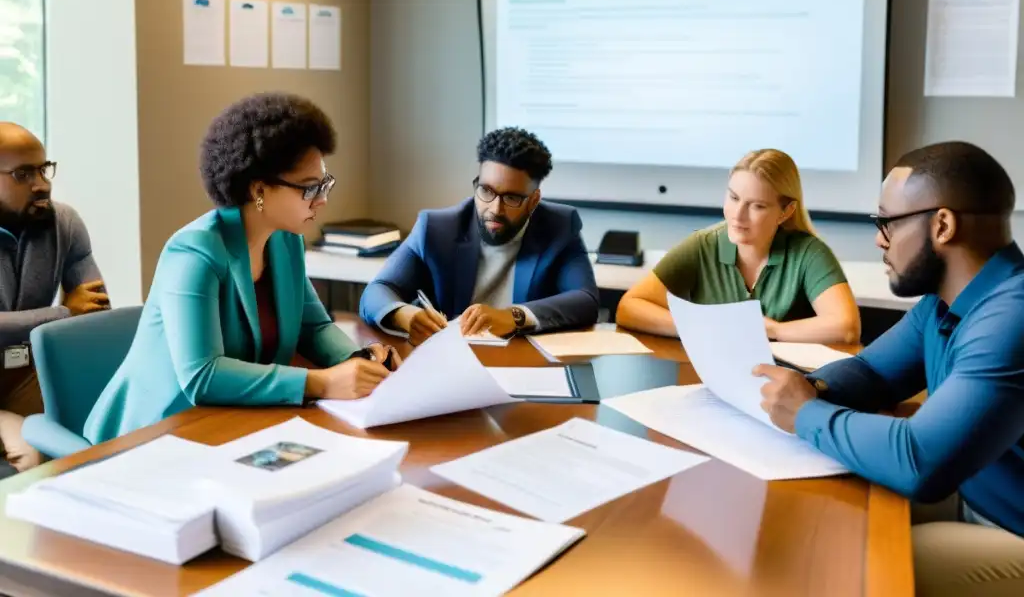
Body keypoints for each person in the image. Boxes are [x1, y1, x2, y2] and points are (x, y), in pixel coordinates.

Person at [756, 141, 1024, 596]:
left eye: (887, 222)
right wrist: (810, 387)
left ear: (942, 225)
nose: (879, 239)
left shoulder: (1012, 317)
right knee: (828, 521)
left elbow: (919, 460)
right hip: (976, 500)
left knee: (867, 565)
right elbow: (872, 375)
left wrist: (805, 413)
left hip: (1010, 530)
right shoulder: (942, 303)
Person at [84, 94, 399, 444]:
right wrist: (322, 382)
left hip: (232, 420)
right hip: (160, 431)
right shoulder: (193, 252)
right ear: (259, 189)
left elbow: (313, 327)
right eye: (310, 188)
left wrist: (359, 358)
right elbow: (202, 375)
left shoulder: (285, 241)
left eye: (324, 183)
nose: (322, 199)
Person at [359, 127, 599, 345]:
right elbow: (377, 291)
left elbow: (585, 299)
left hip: (523, 364)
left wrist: (513, 316)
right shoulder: (436, 229)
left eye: (512, 198)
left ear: (533, 201)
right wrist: (406, 316)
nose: (495, 209)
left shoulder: (559, 227)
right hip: (453, 363)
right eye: (486, 190)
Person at [616, 149, 860, 345]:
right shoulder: (703, 244)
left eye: (757, 206)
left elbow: (846, 327)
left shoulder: (809, 252)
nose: (738, 216)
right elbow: (629, 308)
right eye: (733, 198)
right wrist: (701, 328)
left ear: (786, 212)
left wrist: (772, 330)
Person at [0, 122, 108, 472]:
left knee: (108, 431)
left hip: (29, 371)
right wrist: (61, 313)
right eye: (23, 174)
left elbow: (93, 313)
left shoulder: (64, 222)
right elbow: (72, 313)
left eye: (43, 169)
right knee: (29, 457)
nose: (42, 184)